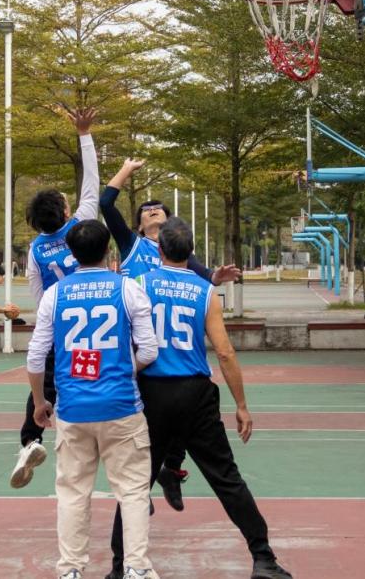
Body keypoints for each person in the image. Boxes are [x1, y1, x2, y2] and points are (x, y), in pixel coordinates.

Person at [106, 219, 292, 579]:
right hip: (195, 393)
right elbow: (224, 352)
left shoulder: (137, 285)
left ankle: (118, 567)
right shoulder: (205, 292)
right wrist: (241, 405)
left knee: (135, 485)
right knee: (226, 478)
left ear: (159, 250)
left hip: (151, 393)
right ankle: (263, 558)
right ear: (191, 252)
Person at [100, 157, 242, 511]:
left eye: (158, 208)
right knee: (141, 426)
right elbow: (106, 203)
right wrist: (126, 170)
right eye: (145, 210)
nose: (151, 210)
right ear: (139, 224)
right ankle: (142, 487)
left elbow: (204, 276)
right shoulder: (131, 245)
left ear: (168, 224)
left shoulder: (179, 253)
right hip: (138, 347)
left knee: (180, 413)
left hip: (172, 349)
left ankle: (171, 470)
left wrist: (217, 276)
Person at [27, 220, 160, 579]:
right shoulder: (128, 288)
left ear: (71, 253)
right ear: (108, 250)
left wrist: (40, 401)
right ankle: (136, 567)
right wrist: (123, 369)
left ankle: (70, 569)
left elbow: (36, 356)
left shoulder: (54, 295)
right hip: (122, 406)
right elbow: (149, 350)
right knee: (133, 492)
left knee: (73, 492)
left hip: (72, 408)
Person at [11, 107, 99, 488]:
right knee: (94, 376)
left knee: (45, 385)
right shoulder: (81, 227)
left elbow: (39, 295)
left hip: (57, 323)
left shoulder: (35, 251)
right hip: (92, 320)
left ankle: (30, 440)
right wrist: (84, 134)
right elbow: (92, 182)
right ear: (66, 210)